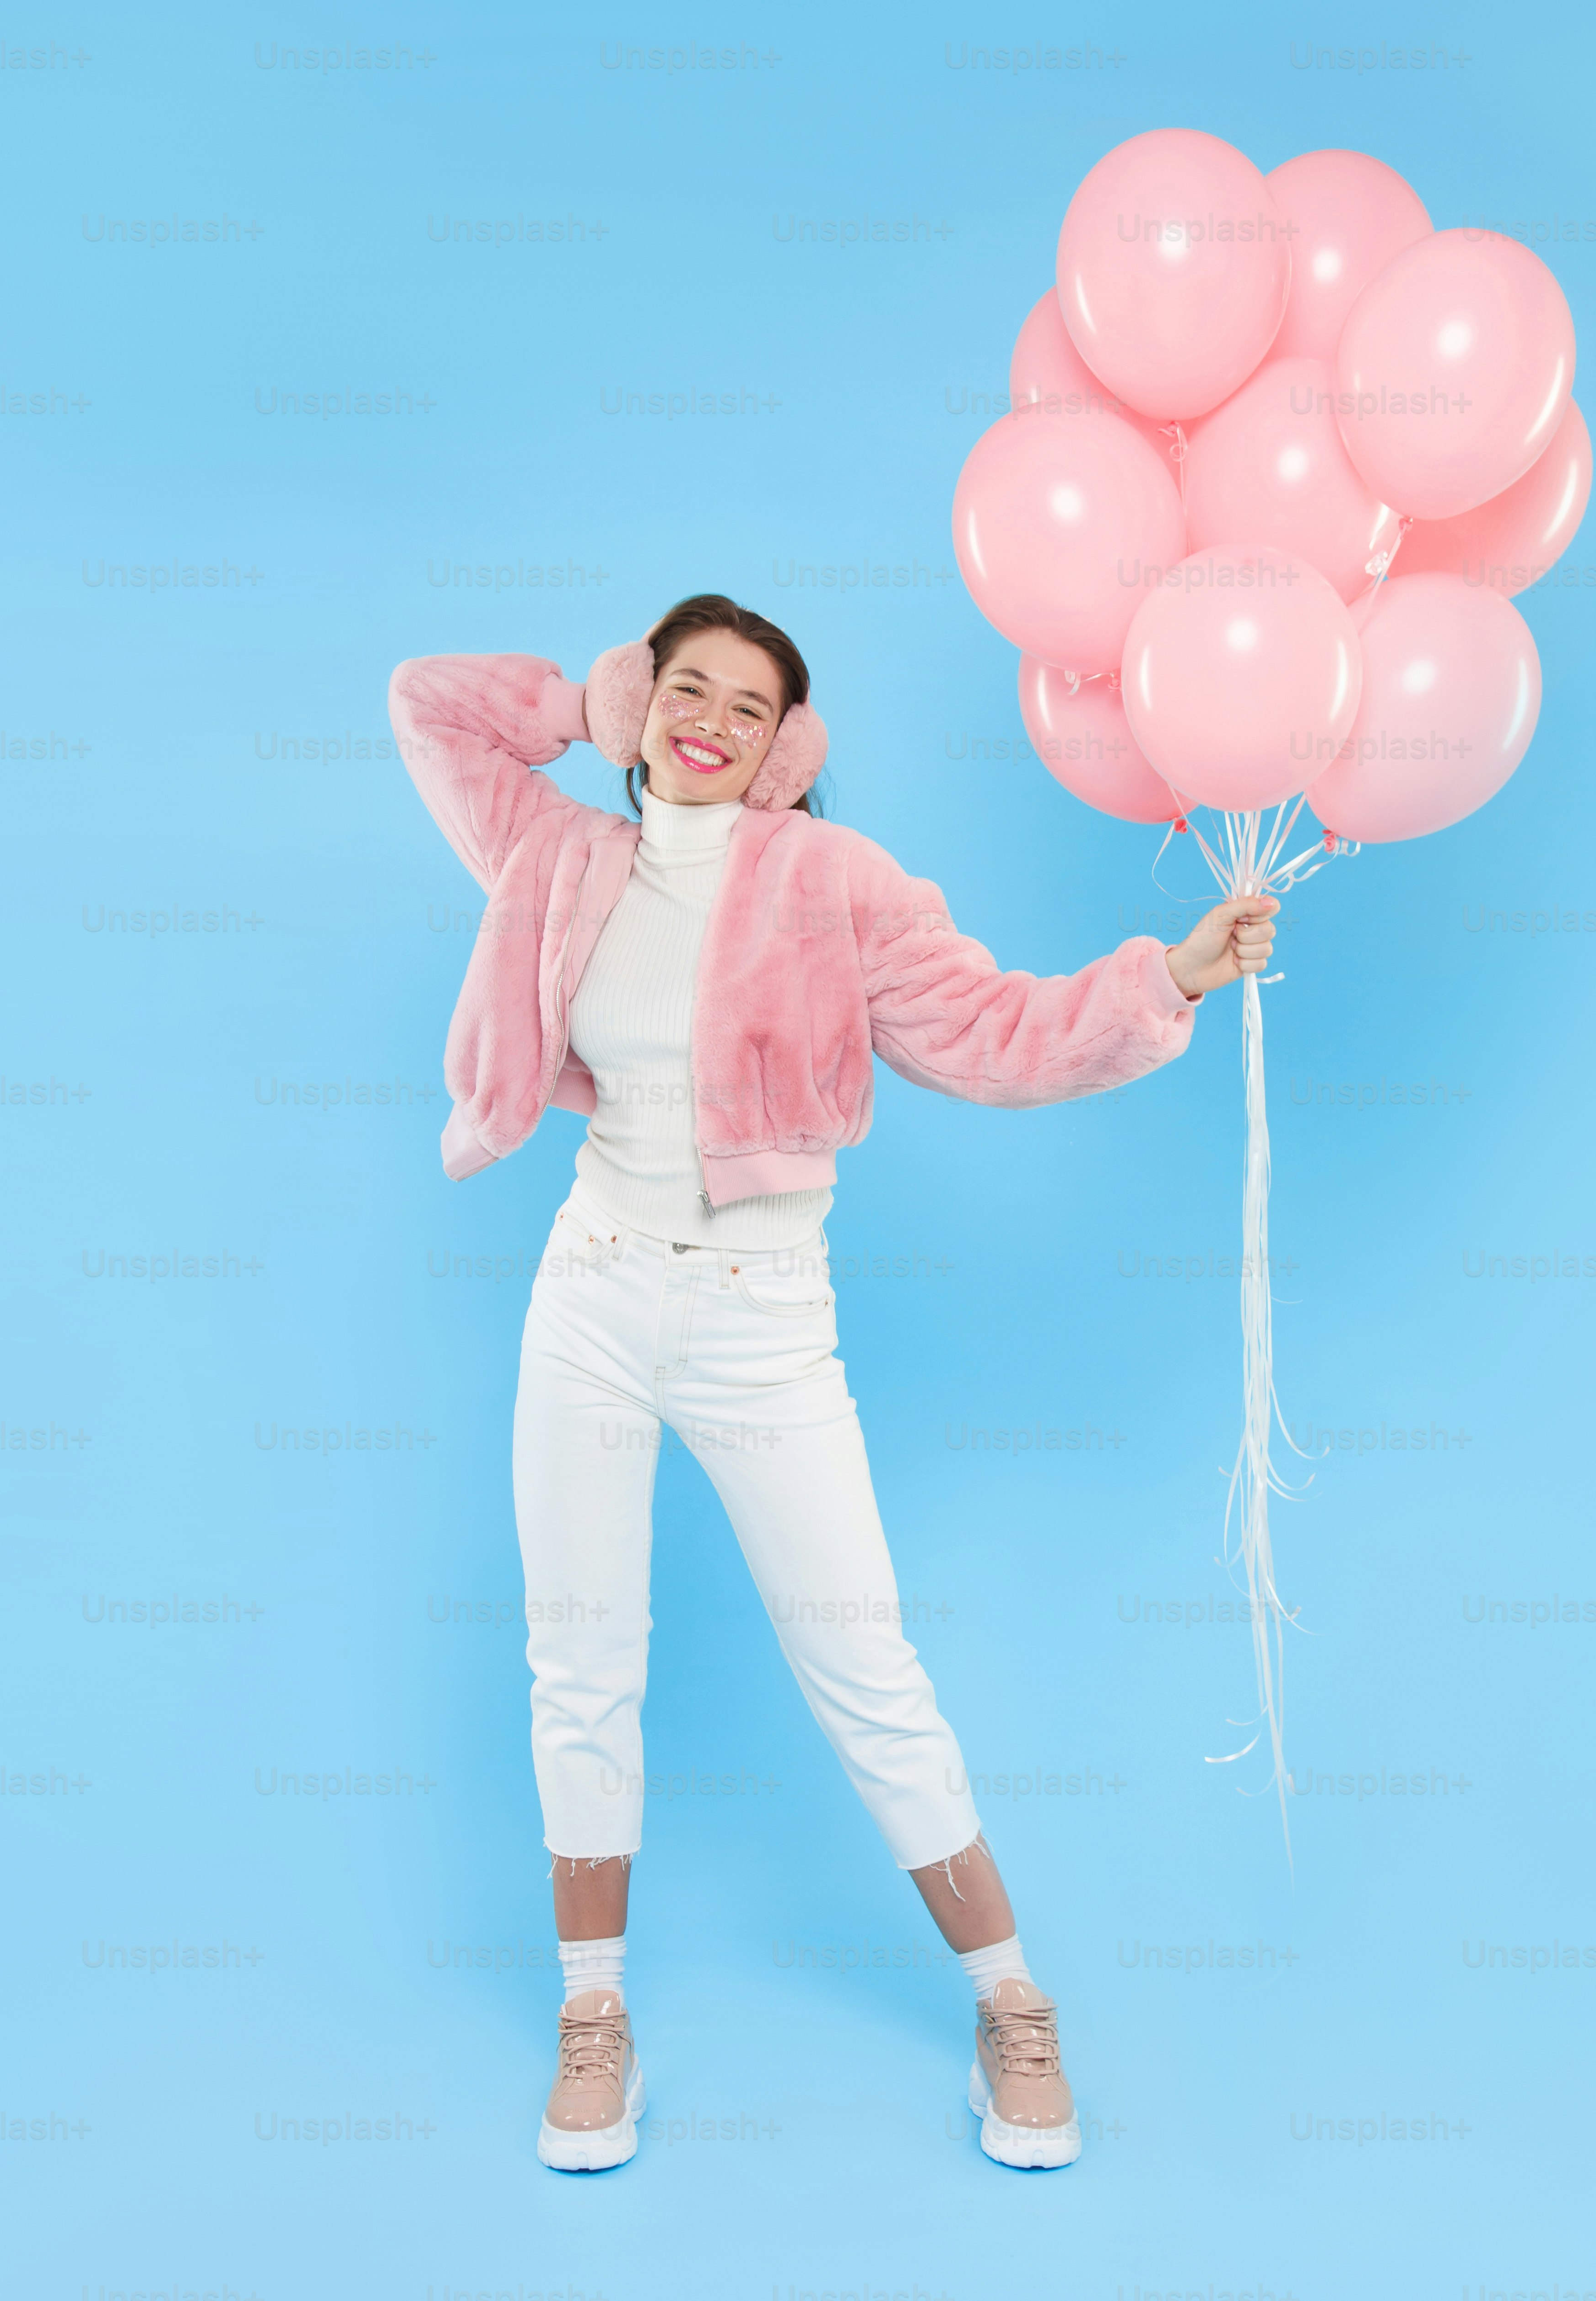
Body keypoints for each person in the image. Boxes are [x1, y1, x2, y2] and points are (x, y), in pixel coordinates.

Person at [386, 596, 1275, 2173]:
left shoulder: (830, 883)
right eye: (680, 688)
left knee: (867, 1671)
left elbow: (998, 1029)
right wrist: (576, 704)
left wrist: (1174, 978)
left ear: (791, 745)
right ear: (636, 700)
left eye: (748, 703)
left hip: (762, 1321)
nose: (706, 719)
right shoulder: (557, 853)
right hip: (588, 1294)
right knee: (577, 1659)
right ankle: (594, 2016)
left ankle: (1012, 2001)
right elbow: (431, 705)